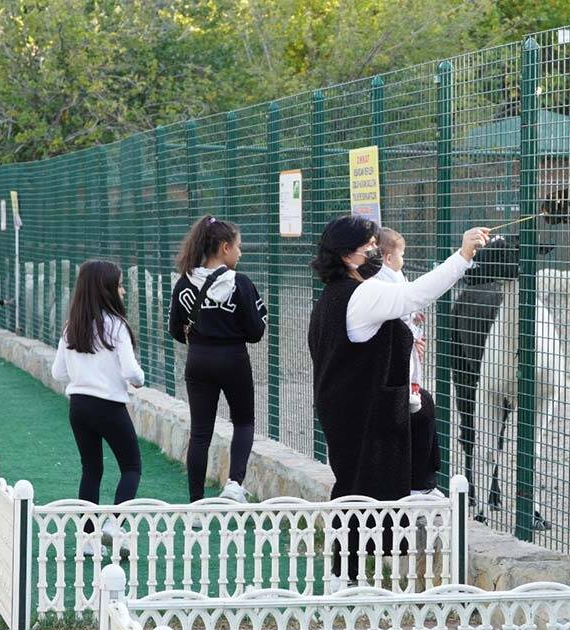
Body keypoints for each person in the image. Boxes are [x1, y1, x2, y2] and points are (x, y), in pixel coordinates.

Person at [307, 214, 488, 585]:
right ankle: (343, 578)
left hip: (341, 405)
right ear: (346, 255)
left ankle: (345, 574)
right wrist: (462, 255)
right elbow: (414, 294)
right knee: (357, 491)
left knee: (354, 486)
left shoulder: (332, 296)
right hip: (360, 409)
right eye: (369, 246)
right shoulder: (362, 294)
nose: (376, 251)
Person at [167, 215, 266, 504]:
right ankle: (234, 485)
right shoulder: (241, 283)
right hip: (234, 358)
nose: (240, 252)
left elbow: (175, 327)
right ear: (224, 247)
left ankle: (196, 502)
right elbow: (257, 331)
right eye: (238, 246)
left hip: (198, 359)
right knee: (244, 421)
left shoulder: (185, 282)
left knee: (200, 432)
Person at [52, 260, 144, 557]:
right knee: (131, 466)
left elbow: (58, 373)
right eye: (119, 285)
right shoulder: (117, 326)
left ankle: (88, 540)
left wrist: (84, 374)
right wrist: (140, 380)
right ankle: (115, 525)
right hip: (110, 406)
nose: (124, 290)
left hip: (79, 406)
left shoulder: (72, 327)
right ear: (107, 290)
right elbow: (131, 373)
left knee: (91, 469)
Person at [374, 227, 440, 495]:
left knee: (424, 409)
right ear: (388, 257)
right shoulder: (384, 282)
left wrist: (415, 320)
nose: (404, 258)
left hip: (407, 360)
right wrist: (410, 339)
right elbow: (394, 321)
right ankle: (416, 484)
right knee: (419, 411)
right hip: (393, 369)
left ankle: (423, 481)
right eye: (401, 253)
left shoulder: (397, 278)